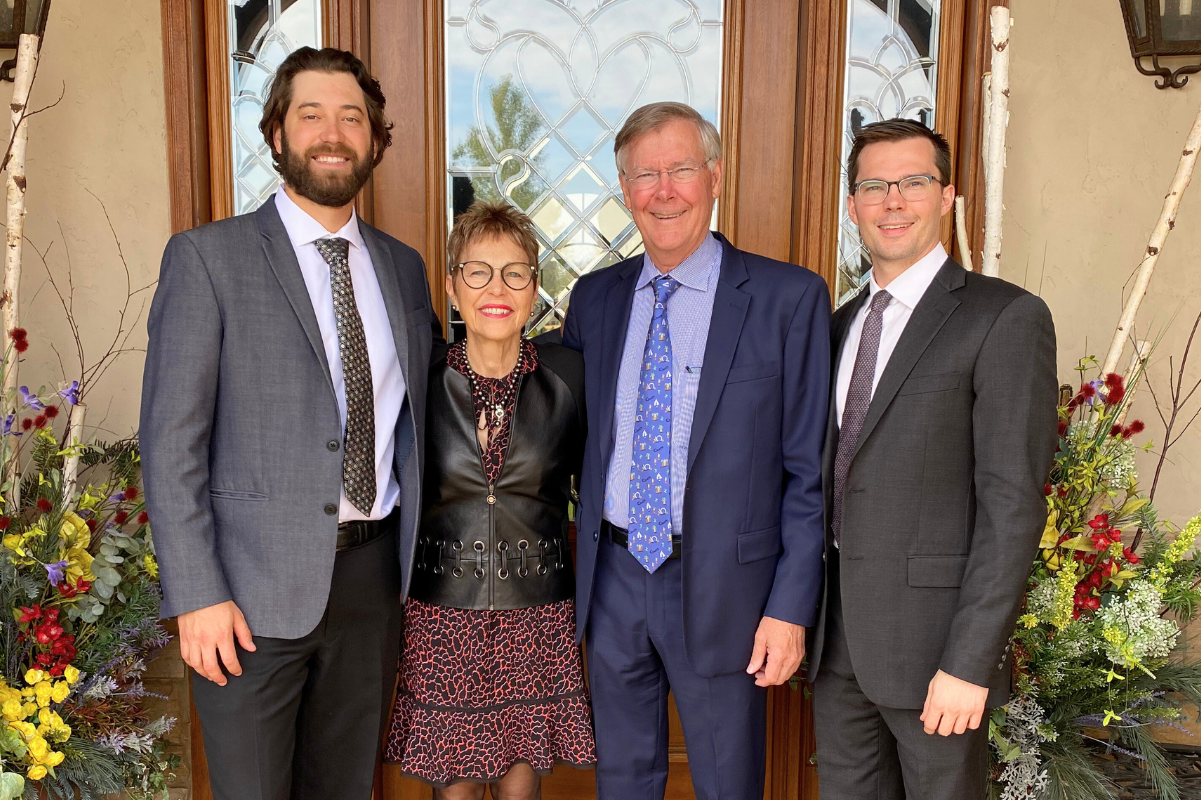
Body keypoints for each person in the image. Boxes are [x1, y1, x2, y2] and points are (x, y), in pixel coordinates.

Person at [139, 47, 441, 800]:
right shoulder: (209, 259)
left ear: (374, 140)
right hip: (245, 598)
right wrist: (197, 594)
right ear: (276, 135)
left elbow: (421, 420)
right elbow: (171, 442)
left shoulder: (403, 269)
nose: (332, 133)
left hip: (371, 587)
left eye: (351, 117)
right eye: (311, 115)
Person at [560, 102, 832, 799]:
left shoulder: (786, 298)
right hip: (614, 578)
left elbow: (809, 473)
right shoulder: (594, 300)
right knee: (622, 780)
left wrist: (790, 607)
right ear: (625, 190)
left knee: (725, 783)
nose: (664, 190)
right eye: (645, 174)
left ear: (715, 175)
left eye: (680, 169)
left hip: (728, 590)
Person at [807, 118, 1057, 800]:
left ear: (947, 197)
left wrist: (970, 664)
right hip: (838, 651)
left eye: (913, 182)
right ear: (853, 205)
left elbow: (1012, 507)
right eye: (873, 186)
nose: (893, 200)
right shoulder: (837, 326)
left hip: (936, 657)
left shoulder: (1003, 317)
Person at [383, 201, 596, 799]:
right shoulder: (416, 382)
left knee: (518, 792)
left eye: (514, 273)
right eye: (477, 271)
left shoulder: (571, 380)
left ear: (535, 290)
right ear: (452, 289)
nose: (495, 289)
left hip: (537, 614)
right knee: (455, 793)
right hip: (442, 616)